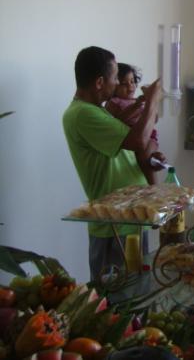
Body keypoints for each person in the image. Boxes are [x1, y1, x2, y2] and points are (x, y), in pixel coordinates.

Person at [63, 46, 165, 281]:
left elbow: (132, 150)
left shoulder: (98, 111)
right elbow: (139, 141)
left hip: (130, 218)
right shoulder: (83, 114)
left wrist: (151, 160)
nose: (119, 83)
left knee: (138, 293)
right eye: (115, 77)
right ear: (100, 82)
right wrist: (152, 102)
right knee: (117, 302)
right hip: (114, 226)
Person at [105, 63, 159, 184]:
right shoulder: (114, 102)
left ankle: (154, 182)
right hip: (132, 137)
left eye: (133, 81)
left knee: (152, 159)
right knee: (144, 157)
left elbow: (154, 119)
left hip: (149, 135)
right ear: (114, 85)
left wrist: (152, 103)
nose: (130, 86)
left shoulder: (138, 100)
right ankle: (153, 186)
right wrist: (136, 106)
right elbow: (116, 120)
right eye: (124, 84)